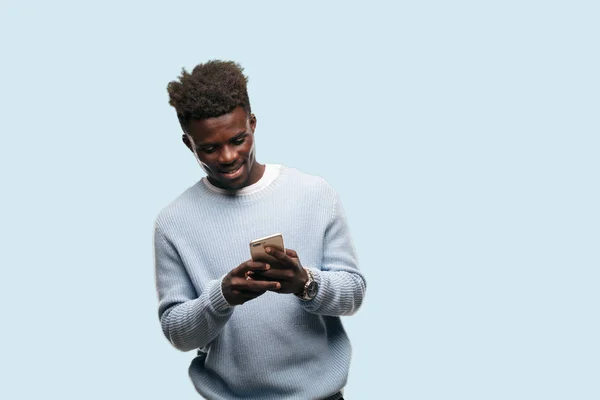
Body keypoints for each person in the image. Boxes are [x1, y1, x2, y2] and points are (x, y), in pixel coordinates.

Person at [154, 60, 366, 400]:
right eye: (209, 148)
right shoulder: (173, 222)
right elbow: (178, 333)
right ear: (188, 144)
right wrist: (220, 297)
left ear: (253, 124)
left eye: (239, 139)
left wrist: (306, 283)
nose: (227, 156)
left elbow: (353, 294)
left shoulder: (313, 193)